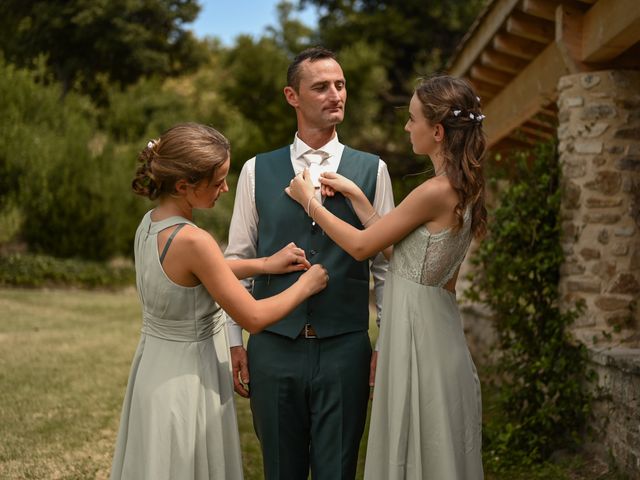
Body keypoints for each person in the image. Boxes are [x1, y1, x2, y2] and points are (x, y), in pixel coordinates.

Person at [287, 75, 486, 479]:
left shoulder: (434, 190)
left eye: (412, 119)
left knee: (421, 437)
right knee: (432, 441)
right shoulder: (462, 186)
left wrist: (309, 202)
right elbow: (407, 255)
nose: (406, 127)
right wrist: (359, 198)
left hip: (420, 334)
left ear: (437, 131)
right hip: (436, 325)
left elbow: (362, 247)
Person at [110, 122, 328, 480]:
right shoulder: (195, 241)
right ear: (184, 185)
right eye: (218, 181)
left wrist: (263, 263)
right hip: (187, 382)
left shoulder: (150, 224)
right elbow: (254, 317)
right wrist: (306, 285)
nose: (225, 188)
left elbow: (194, 274)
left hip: (154, 370)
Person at [224, 47, 395, 479]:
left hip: (346, 348)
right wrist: (233, 340)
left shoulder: (373, 170)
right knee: (280, 469)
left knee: (338, 470)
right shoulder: (254, 171)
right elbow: (237, 261)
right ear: (292, 96)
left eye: (340, 85)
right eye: (320, 87)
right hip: (273, 347)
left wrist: (386, 343)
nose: (335, 94)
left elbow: (387, 269)